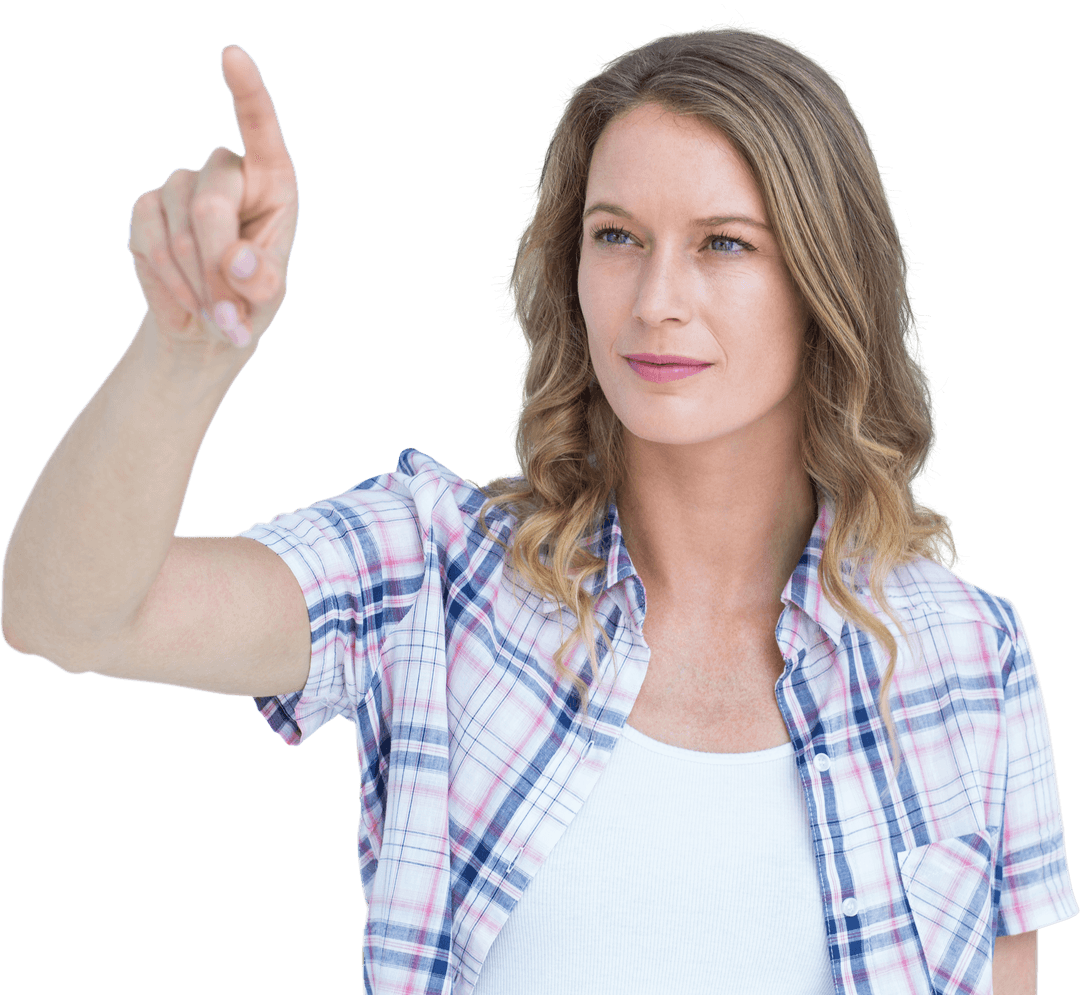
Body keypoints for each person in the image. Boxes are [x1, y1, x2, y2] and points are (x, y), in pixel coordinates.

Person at [1, 23, 1074, 995]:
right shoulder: (432, 568)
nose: (656, 298)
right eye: (616, 235)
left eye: (723, 242)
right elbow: (68, 615)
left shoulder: (970, 653)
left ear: (824, 284)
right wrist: (184, 353)